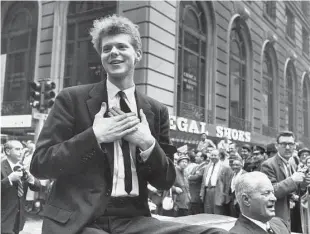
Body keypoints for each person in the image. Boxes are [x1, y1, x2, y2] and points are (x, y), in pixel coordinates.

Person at [30, 15, 227, 234]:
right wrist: (94, 136)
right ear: (102, 57)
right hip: (80, 220)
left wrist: (147, 143)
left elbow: (165, 181)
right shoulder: (71, 99)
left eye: (121, 46)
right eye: (106, 49)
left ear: (138, 55)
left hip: (133, 220)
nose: (113, 52)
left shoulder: (157, 111)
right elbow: (40, 164)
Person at [261, 131, 310, 230]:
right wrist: (293, 180)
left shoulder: (292, 164)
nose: (287, 147)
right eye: (283, 144)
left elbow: (295, 190)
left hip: (291, 216)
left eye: (290, 144)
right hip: (277, 217)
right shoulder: (268, 165)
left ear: (295, 146)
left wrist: (303, 185)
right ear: (276, 146)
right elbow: (271, 192)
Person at [1, 140, 41, 234]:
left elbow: (37, 187)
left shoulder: (23, 167)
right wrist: (9, 179)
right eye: (17, 149)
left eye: (22, 149)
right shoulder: (1, 166)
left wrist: (30, 178)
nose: (21, 152)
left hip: (18, 217)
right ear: (7, 151)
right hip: (3, 217)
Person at [200, 149, 233, 215]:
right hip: (207, 191)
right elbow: (203, 181)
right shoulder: (207, 167)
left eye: (215, 155)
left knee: (217, 212)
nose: (213, 157)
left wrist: (225, 195)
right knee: (207, 212)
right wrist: (201, 193)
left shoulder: (225, 167)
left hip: (218, 191)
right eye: (211, 155)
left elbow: (227, 184)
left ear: (219, 156)